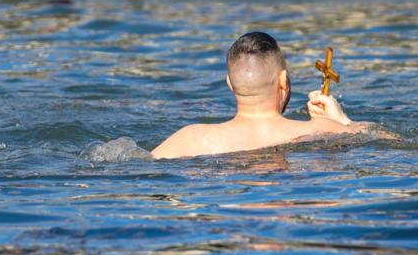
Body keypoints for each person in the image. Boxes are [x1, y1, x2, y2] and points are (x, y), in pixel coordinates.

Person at [151, 31, 368, 159]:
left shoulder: (190, 138)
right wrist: (344, 121)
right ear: (283, 80)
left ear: (230, 83)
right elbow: (392, 141)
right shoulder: (326, 131)